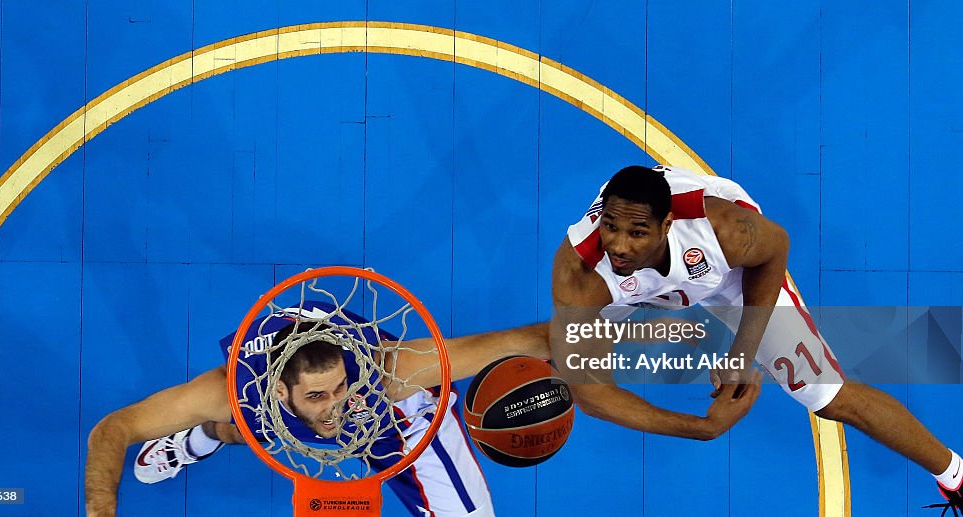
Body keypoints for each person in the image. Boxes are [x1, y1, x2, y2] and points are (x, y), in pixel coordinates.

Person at [550, 164, 962, 510]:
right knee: (573, 364)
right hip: (629, 292)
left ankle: (955, 475)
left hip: (729, 273)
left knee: (827, 397)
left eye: (637, 232)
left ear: (667, 225)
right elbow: (591, 394)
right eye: (610, 228)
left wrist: (740, 353)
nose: (618, 245)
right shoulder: (582, 274)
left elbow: (775, 247)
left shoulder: (722, 229)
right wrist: (699, 427)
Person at [85, 300, 550, 517]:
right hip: (268, 409)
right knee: (242, 426)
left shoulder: (388, 373)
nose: (334, 408)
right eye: (317, 396)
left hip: (392, 421)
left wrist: (615, 337)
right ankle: (195, 440)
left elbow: (516, 342)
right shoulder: (236, 391)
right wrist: (101, 508)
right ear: (282, 393)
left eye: (338, 389)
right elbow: (114, 428)